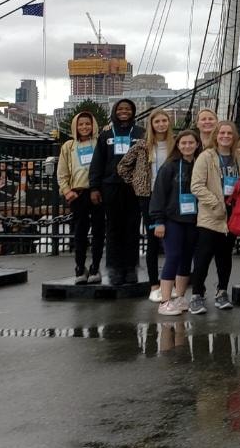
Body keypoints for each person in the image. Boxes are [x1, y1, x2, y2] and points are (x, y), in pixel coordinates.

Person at [116, 108, 174, 299]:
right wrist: (137, 181)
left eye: (164, 120)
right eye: (157, 121)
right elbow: (123, 166)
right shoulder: (142, 145)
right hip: (148, 196)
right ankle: (154, 284)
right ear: (151, 124)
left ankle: (170, 282)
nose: (161, 124)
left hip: (171, 196)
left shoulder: (174, 145)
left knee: (172, 241)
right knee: (152, 240)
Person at [188, 120, 240, 313]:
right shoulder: (206, 157)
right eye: (222, 133)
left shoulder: (239, 156)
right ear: (216, 136)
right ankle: (197, 294)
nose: (225, 136)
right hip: (211, 215)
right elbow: (196, 186)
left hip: (232, 215)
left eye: (229, 133)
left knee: (224, 256)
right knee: (203, 255)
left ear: (234, 136)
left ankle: (222, 291)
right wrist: (215, 203)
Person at [88, 98, 144, 286]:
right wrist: (94, 187)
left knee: (132, 228)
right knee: (113, 228)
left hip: (133, 187)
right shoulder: (105, 134)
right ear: (115, 111)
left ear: (133, 111)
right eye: (120, 108)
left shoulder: (140, 133)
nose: (124, 111)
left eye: (128, 108)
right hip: (111, 186)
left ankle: (130, 268)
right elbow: (97, 162)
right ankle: (114, 268)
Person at [148, 130, 203, 316]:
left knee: (186, 258)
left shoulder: (199, 164)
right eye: (183, 143)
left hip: (193, 219)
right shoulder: (169, 166)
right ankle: (165, 300)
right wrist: (158, 221)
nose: (187, 146)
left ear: (197, 144)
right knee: (173, 256)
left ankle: (179, 297)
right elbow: (159, 194)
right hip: (172, 219)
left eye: (191, 143)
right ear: (178, 146)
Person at [57, 110, 104, 284]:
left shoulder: (99, 143)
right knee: (80, 232)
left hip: (97, 192)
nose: (84, 127)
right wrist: (67, 190)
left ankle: (95, 267)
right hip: (78, 193)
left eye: (88, 123)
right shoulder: (69, 146)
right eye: (81, 124)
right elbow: (62, 171)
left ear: (93, 126)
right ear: (75, 126)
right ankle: (79, 267)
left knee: (99, 231)